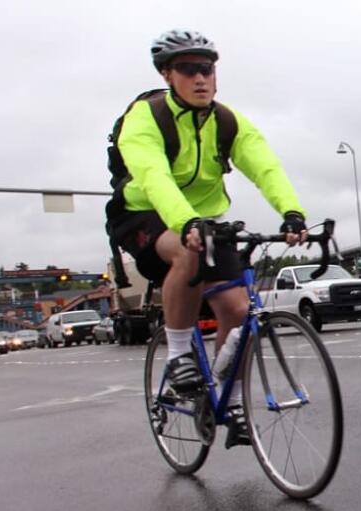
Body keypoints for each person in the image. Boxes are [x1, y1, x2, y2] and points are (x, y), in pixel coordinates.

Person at [108, 29, 307, 447]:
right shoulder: (145, 119)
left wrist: (292, 212)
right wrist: (184, 223)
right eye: (188, 69)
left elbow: (264, 166)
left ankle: (228, 400)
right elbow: (155, 177)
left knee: (236, 309)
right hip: (144, 211)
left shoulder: (227, 121)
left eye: (207, 69)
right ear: (167, 74)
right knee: (186, 254)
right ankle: (180, 353)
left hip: (204, 219)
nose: (200, 78)